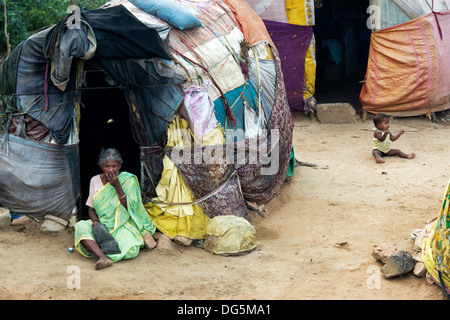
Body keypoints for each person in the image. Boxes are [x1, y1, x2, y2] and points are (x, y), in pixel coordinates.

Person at [74, 148, 157, 270]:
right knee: (81, 226)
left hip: (121, 225)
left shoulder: (128, 180)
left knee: (130, 249)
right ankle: (103, 258)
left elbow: (132, 208)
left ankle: (97, 250)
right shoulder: (95, 180)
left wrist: (117, 186)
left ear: (120, 165)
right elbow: (91, 209)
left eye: (114, 166)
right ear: (101, 166)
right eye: (107, 166)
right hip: (102, 225)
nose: (111, 169)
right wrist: (96, 222)